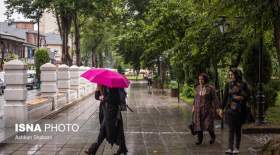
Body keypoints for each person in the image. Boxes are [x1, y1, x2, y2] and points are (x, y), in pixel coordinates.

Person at [85, 85, 128, 155]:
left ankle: (93, 150)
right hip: (105, 111)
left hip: (113, 112)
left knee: (103, 130)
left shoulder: (113, 86)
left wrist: (104, 98)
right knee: (118, 130)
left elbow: (116, 99)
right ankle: (123, 148)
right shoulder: (102, 85)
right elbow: (96, 97)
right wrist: (98, 89)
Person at [223, 68, 250, 154]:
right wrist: (221, 108)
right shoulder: (228, 84)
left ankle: (236, 148)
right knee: (231, 129)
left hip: (240, 110)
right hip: (230, 109)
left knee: (238, 130)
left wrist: (242, 97)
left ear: (237, 75)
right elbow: (225, 97)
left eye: (232, 74)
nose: (230, 76)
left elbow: (248, 95)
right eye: (229, 75)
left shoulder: (243, 84)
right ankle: (230, 148)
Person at [192, 73, 221, 145]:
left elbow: (215, 99)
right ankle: (199, 140)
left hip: (208, 110)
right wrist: (193, 106)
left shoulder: (211, 88)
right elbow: (195, 98)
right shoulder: (197, 88)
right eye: (199, 79)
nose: (200, 81)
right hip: (198, 109)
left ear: (205, 79)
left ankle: (213, 136)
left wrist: (217, 108)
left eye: (202, 79)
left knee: (208, 125)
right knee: (198, 125)